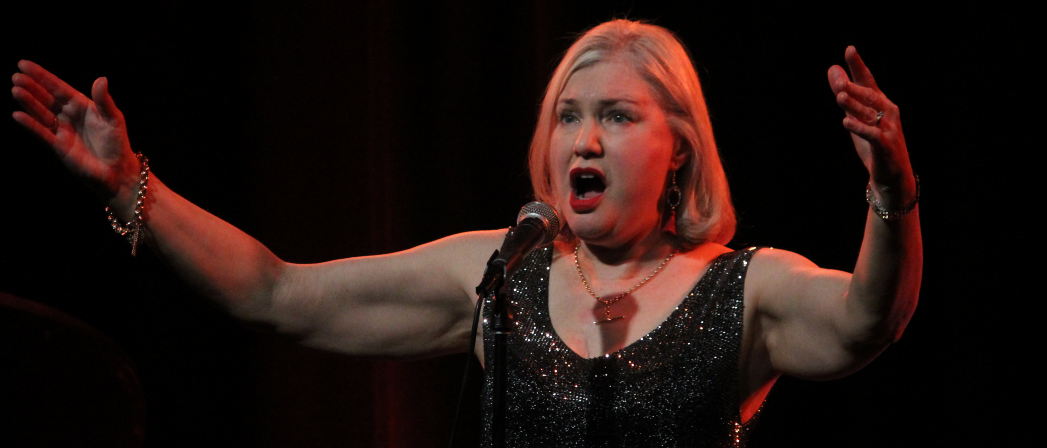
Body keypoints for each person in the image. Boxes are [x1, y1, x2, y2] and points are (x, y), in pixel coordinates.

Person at [11, 19, 920, 447]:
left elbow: (862, 322)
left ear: (679, 150)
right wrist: (135, 182)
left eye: (616, 116)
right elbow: (274, 294)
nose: (584, 139)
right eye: (568, 115)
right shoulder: (503, 272)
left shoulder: (743, 288)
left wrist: (889, 192)